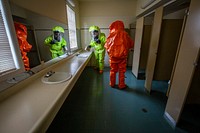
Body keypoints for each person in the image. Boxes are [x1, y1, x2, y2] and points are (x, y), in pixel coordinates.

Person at [105, 20, 134, 89]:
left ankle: (112, 84)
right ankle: (121, 85)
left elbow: (106, 46)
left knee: (113, 70)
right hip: (122, 57)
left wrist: (110, 53)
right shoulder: (125, 34)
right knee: (121, 71)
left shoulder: (110, 35)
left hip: (113, 58)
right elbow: (131, 44)